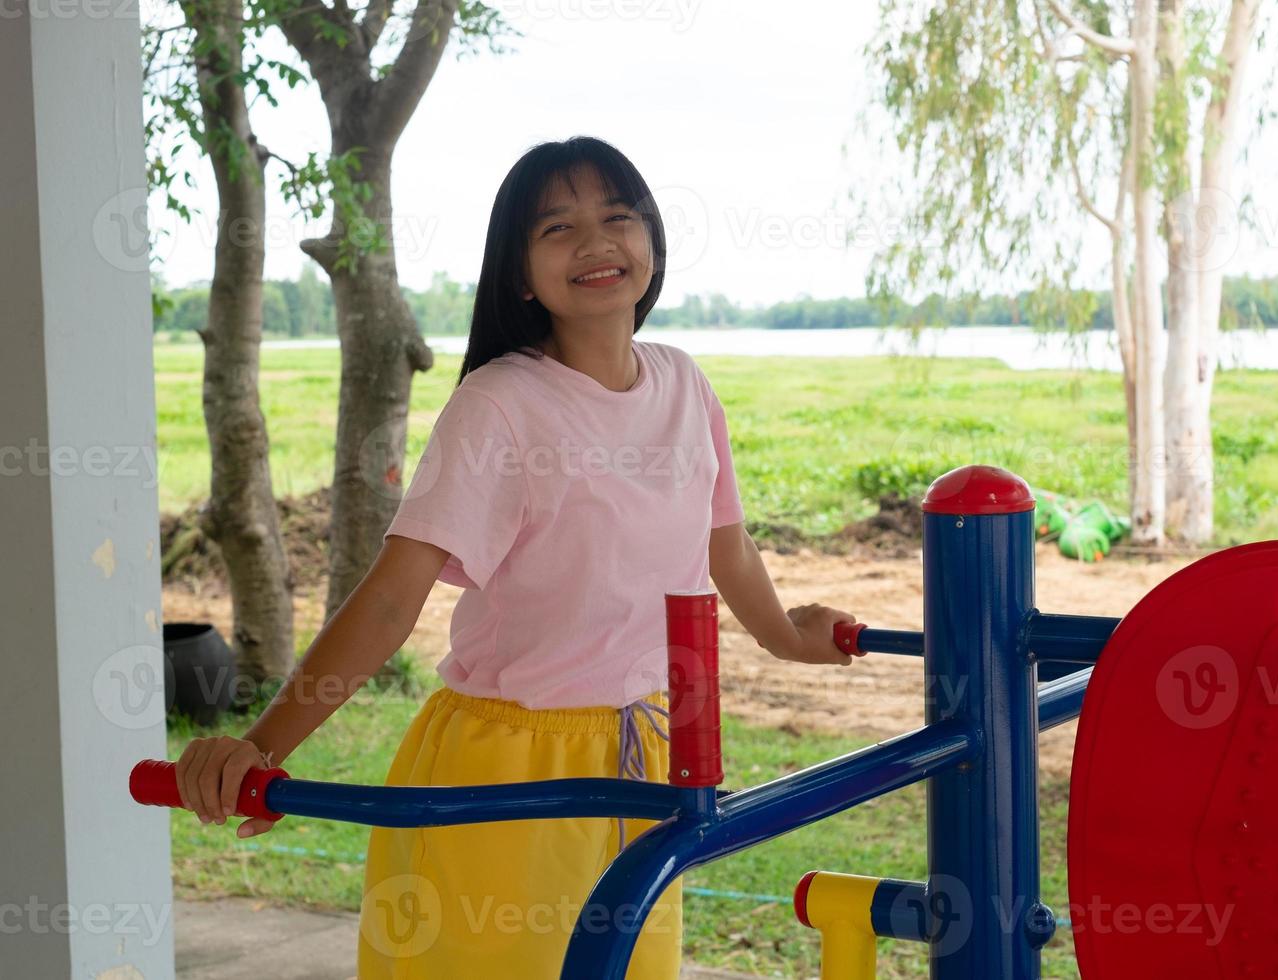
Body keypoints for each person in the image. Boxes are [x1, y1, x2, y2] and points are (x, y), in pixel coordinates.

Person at [169, 135, 862, 978]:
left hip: (645, 760)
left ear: (652, 242)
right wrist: (264, 747)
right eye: (558, 228)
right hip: (508, 772)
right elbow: (393, 599)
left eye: (617, 216)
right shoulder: (500, 405)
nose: (597, 242)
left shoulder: (684, 383)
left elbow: (723, 540)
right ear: (519, 272)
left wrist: (786, 634)